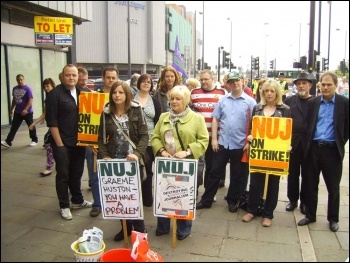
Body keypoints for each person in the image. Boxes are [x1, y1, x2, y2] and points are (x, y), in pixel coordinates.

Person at [151, 85, 209, 241]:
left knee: (183, 197)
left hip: (186, 165)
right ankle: (162, 227)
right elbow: (155, 137)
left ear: (186, 100)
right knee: (164, 194)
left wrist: (188, 152)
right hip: (166, 164)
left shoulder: (197, 119)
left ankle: (183, 229)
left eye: (178, 98)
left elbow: (204, 141)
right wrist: (162, 151)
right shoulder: (164, 117)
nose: (174, 102)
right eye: (172, 98)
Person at [196, 72, 256, 213]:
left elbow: (255, 123)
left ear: (242, 82)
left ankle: (232, 200)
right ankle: (207, 200)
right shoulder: (223, 100)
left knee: (236, 175)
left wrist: (249, 141)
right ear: (228, 84)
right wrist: (215, 140)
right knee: (214, 172)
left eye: (237, 81)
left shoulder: (250, 102)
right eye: (232, 81)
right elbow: (216, 118)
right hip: (222, 143)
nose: (235, 83)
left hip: (239, 145)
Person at [298, 71, 349, 232]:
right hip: (313, 149)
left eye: (329, 85)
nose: (325, 88)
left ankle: (333, 218)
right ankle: (310, 215)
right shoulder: (313, 103)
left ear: (335, 85)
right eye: (323, 84)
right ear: (319, 85)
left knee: (333, 187)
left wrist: (340, 142)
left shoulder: (344, 103)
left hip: (332, 151)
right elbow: (307, 125)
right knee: (311, 184)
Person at [98, 80, 149, 241]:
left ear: (126, 94)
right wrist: (105, 155)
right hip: (115, 161)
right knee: (119, 197)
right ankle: (125, 229)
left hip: (133, 162)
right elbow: (101, 139)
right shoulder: (106, 112)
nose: (117, 95)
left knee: (134, 197)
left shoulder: (136, 110)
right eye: (114, 92)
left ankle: (140, 230)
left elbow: (144, 136)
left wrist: (137, 154)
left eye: (121, 92)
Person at [45, 64, 92, 220]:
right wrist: (59, 144)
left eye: (74, 75)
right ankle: (64, 205)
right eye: (68, 75)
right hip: (62, 143)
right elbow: (52, 122)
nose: (71, 78)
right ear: (62, 76)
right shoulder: (54, 95)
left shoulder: (84, 93)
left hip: (79, 142)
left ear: (78, 76)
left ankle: (77, 200)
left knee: (77, 172)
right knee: (63, 174)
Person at [242, 79, 291, 227]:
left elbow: (288, 130)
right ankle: (252, 210)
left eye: (272, 91)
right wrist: (250, 138)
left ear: (277, 92)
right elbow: (252, 128)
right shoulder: (257, 108)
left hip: (275, 154)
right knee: (256, 182)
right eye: (266, 91)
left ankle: (268, 214)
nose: (269, 94)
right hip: (259, 152)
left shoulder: (284, 109)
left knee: (273, 184)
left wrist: (287, 145)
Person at [89, 67, 119, 217]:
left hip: (114, 144)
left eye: (113, 78)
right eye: (108, 77)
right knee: (95, 175)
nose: (111, 80)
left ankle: (112, 203)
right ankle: (96, 204)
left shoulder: (120, 97)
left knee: (112, 176)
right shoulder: (95, 97)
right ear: (103, 78)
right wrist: (91, 142)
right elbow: (89, 122)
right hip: (95, 144)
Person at [191, 69, 227, 192]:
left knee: (212, 167)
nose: (203, 82)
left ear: (213, 79)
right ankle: (193, 190)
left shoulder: (222, 93)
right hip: (197, 138)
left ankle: (209, 192)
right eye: (201, 79)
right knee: (196, 166)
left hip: (214, 138)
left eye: (206, 79)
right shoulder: (193, 92)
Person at [284, 72, 313, 214]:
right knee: (293, 174)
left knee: (307, 175)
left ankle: (305, 202)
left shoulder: (315, 102)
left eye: (304, 83)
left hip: (309, 145)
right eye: (298, 83)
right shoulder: (289, 100)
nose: (301, 86)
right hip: (292, 144)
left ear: (310, 85)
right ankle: (292, 200)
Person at [133, 74, 161, 207]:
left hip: (151, 140)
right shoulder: (131, 99)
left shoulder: (154, 101)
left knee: (149, 169)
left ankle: (148, 199)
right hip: (135, 141)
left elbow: (159, 121)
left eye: (149, 82)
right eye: (143, 81)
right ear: (138, 83)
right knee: (138, 169)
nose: (146, 84)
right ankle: (137, 197)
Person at [29, 78, 56, 176]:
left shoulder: (55, 96)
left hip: (58, 126)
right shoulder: (48, 98)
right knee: (51, 143)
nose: (46, 89)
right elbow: (45, 113)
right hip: (53, 126)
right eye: (44, 87)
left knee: (48, 140)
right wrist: (34, 123)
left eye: (48, 86)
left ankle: (50, 167)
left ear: (52, 85)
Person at [1, 74, 38, 148]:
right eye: (18, 80)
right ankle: (8, 142)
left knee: (31, 125)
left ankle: (34, 140)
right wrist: (11, 109)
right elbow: (14, 99)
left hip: (27, 112)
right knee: (14, 127)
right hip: (18, 112)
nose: (20, 81)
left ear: (23, 79)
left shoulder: (28, 89)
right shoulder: (15, 88)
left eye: (21, 79)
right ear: (16, 80)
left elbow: (30, 100)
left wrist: (25, 109)